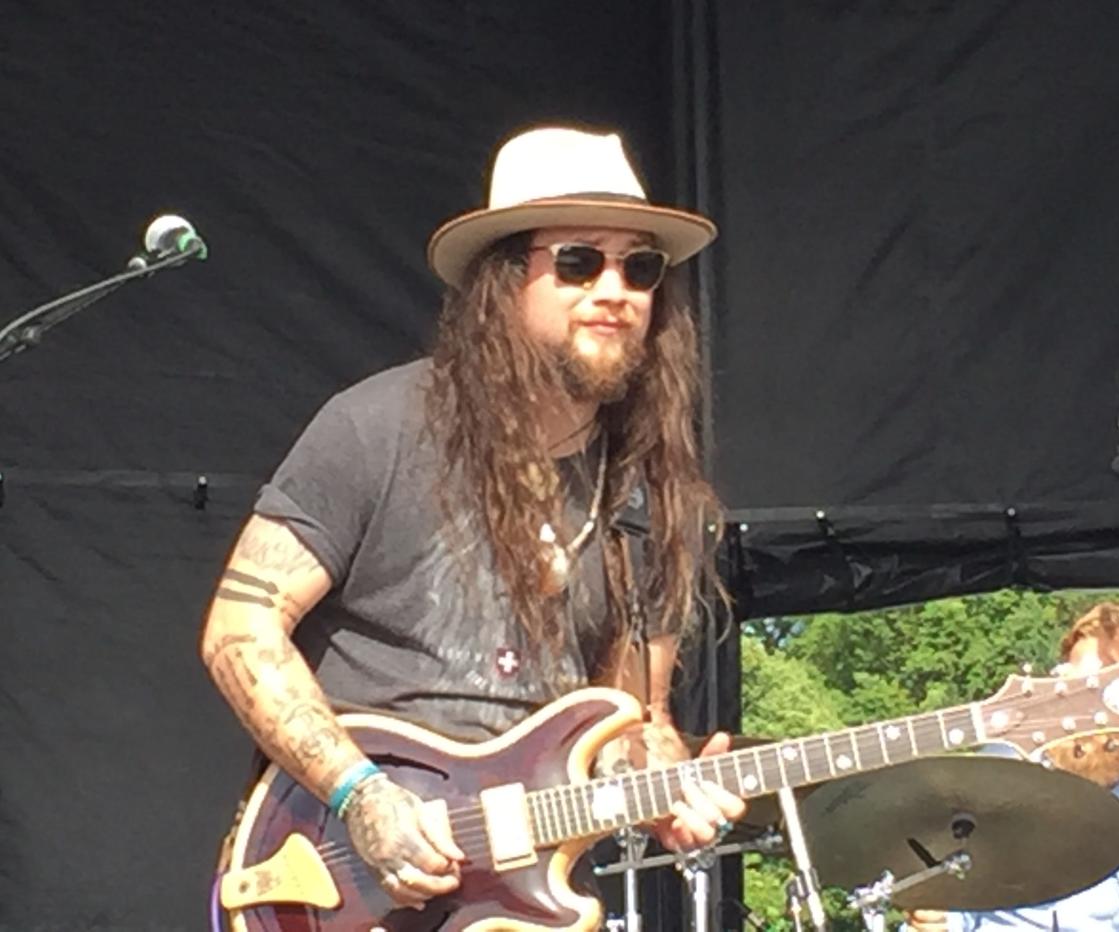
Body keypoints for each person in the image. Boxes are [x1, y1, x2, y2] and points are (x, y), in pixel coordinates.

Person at [199, 125, 746, 910]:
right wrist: (361, 795)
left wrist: (657, 776)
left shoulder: (650, 495)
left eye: (641, 265)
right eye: (580, 260)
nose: (615, 289)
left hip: (522, 897)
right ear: (502, 280)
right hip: (334, 881)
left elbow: (631, 716)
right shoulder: (380, 428)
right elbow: (238, 631)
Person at [906, 602, 1119, 931]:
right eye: (1073, 684)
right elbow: (941, 895)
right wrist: (939, 920)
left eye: (1103, 690)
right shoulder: (1001, 767)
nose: (1079, 703)